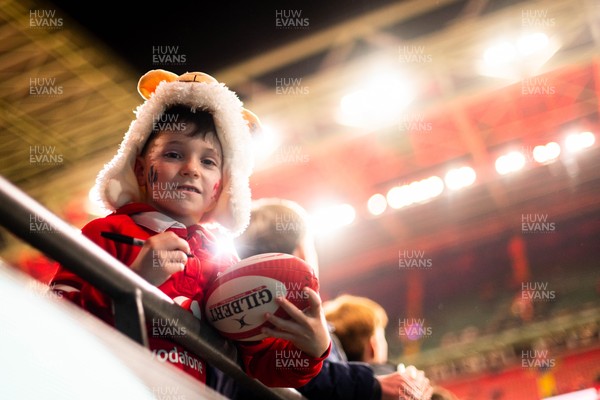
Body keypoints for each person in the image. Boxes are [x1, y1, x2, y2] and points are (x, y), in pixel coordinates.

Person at [49, 69, 330, 388]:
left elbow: (258, 364)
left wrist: (313, 347)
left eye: (208, 162)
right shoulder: (105, 232)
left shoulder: (223, 263)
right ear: (140, 170)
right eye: (173, 154)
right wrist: (135, 283)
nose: (191, 169)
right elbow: (54, 320)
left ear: (222, 186)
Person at [226, 197, 433, 400]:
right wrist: (373, 385)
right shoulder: (289, 320)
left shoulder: (238, 315)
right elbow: (303, 376)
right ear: (301, 253)